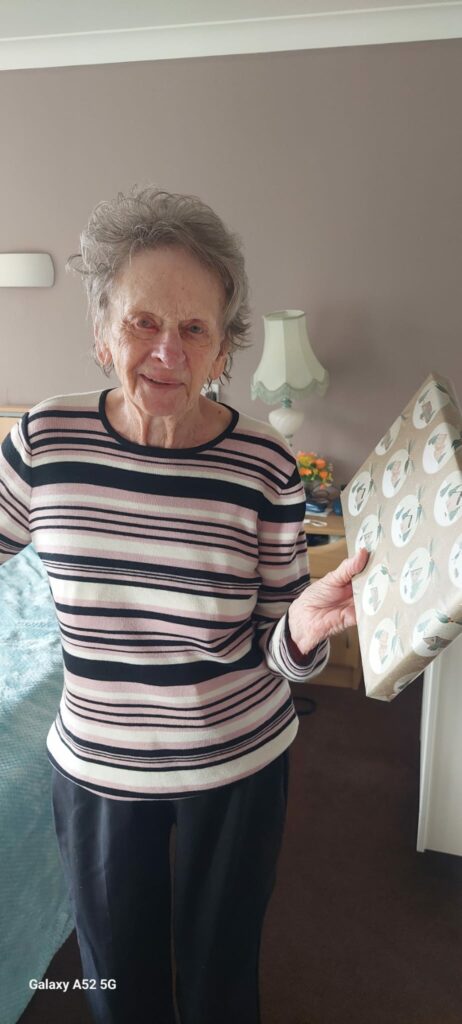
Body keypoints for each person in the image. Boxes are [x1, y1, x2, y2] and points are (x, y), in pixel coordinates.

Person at [0, 187, 368, 1024]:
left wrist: (304, 625)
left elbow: (279, 639)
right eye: (143, 322)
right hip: (99, 768)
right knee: (115, 980)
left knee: (220, 977)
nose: (167, 350)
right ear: (102, 333)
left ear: (223, 349)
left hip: (237, 763)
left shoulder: (264, 465)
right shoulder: (45, 443)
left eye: (195, 328)